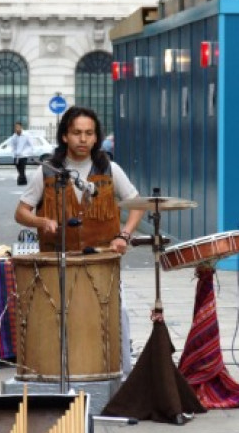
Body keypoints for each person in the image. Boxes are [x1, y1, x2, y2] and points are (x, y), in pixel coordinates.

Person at [14, 106, 145, 374]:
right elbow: (21, 212)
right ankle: (57, 371)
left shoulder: (110, 168)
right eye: (76, 133)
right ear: (65, 136)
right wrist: (41, 222)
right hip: (57, 261)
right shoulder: (48, 171)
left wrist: (124, 235)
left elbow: (137, 204)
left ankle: (116, 370)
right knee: (58, 320)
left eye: (89, 133)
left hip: (101, 260)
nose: (83, 139)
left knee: (113, 316)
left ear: (96, 138)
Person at [8, 121, 34, 186]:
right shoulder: (14, 136)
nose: (17, 129)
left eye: (18, 127)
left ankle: (20, 181)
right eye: (16, 127)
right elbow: (13, 146)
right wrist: (13, 154)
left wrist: (26, 152)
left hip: (24, 155)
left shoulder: (26, 135)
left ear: (21, 127)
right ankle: (24, 181)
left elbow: (31, 145)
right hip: (16, 156)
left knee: (22, 168)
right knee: (18, 168)